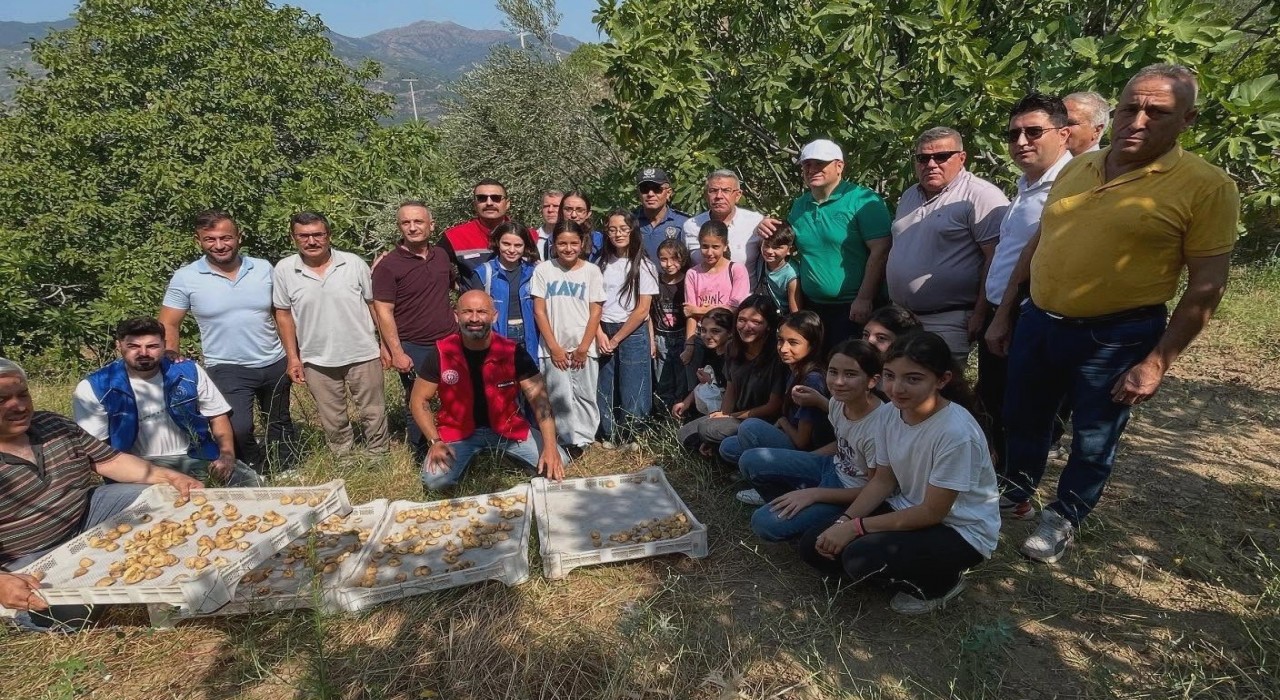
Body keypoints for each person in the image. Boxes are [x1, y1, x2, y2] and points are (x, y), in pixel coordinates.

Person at [987, 64, 1240, 563]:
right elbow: (1040, 242)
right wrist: (1007, 310)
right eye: (1130, 108)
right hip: (1040, 320)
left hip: (1116, 334)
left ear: (1187, 119)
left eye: (1156, 112)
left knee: (1094, 434)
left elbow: (1207, 285)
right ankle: (1017, 489)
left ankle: (1064, 514)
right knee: (1024, 416)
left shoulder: (1206, 187)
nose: (1137, 121)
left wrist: (1157, 361)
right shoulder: (1079, 168)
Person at [799, 332, 1000, 615]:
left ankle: (943, 583)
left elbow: (932, 512)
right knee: (814, 545)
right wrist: (844, 520)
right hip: (905, 506)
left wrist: (856, 528)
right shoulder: (890, 413)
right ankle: (893, 566)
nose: (896, 388)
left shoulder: (955, 434)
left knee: (859, 558)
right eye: (890, 376)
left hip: (959, 529)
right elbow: (883, 480)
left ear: (942, 380)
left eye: (913, 379)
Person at [0, 357, 202, 631]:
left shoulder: (52, 424)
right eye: (2, 400)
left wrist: (169, 477)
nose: (19, 406)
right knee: (66, 615)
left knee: (163, 499)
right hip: (30, 556)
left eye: (23, 394)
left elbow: (111, 461)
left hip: (86, 516)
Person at [159, 209, 298, 474]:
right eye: (210, 239)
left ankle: (284, 466)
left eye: (226, 238)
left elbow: (281, 313)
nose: (219, 245)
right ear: (198, 241)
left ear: (239, 237)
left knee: (279, 420)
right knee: (238, 427)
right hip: (226, 366)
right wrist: (170, 358)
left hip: (273, 360)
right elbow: (169, 322)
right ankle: (254, 468)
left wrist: (293, 355)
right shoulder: (186, 277)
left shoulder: (263, 268)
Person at [978, 93, 1073, 469]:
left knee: (1022, 407)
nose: (1021, 141)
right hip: (1002, 310)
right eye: (1013, 133)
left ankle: (1016, 485)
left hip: (1029, 313)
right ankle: (999, 475)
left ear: (1063, 134)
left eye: (1033, 132)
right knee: (996, 400)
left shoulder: (1069, 187)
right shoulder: (1027, 185)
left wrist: (1004, 315)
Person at [72, 318, 262, 487]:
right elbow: (97, 448)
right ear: (119, 346)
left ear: (164, 345)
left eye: (152, 346)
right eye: (133, 346)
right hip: (135, 464)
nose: (143, 353)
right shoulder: (96, 387)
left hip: (195, 457)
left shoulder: (188, 372)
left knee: (250, 484)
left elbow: (217, 415)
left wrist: (227, 455)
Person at [408, 291, 567, 493]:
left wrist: (550, 447)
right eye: (467, 312)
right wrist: (435, 441)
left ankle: (507, 456)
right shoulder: (441, 352)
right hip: (457, 433)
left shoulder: (512, 352)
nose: (475, 318)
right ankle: (471, 456)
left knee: (560, 461)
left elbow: (540, 401)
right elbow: (419, 400)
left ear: (494, 316)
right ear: (456, 316)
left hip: (508, 429)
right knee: (436, 482)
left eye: (482, 312)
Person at [738, 340, 889, 541]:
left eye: (850, 374)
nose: (838, 382)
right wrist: (803, 462)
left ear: (872, 381)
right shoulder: (838, 402)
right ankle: (791, 504)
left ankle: (814, 524)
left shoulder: (879, 427)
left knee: (763, 522)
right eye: (833, 372)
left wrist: (814, 494)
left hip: (850, 492)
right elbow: (844, 444)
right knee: (750, 460)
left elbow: (874, 490)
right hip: (831, 465)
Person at [756, 139, 892, 351]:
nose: (812, 169)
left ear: (839, 166)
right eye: (807, 164)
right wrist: (765, 226)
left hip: (853, 308)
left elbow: (881, 250)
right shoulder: (800, 205)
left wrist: (864, 298)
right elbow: (787, 244)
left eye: (820, 163)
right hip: (812, 308)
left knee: (848, 366)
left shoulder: (863, 200)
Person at [888, 127, 1008, 362]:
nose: (931, 164)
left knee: (941, 381)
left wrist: (980, 313)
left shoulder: (980, 196)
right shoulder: (910, 194)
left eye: (941, 157)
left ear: (961, 158)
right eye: (923, 158)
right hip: (901, 317)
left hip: (948, 318)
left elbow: (995, 258)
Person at [273, 212, 389, 455]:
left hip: (362, 352)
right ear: (293, 238)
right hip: (316, 357)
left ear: (329, 235)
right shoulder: (284, 270)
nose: (311, 241)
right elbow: (283, 314)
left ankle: (378, 452)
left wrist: (385, 344)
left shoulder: (353, 263)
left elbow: (373, 305)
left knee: (373, 410)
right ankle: (343, 456)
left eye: (318, 234)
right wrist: (293, 357)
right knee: (332, 415)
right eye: (303, 236)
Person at [371, 201, 455, 459]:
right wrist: (396, 352)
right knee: (417, 400)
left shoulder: (441, 256)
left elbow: (449, 290)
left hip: (449, 341)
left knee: (454, 394)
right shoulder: (388, 265)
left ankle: (455, 445)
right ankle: (421, 454)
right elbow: (383, 311)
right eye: (406, 222)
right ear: (399, 227)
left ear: (431, 225)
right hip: (414, 345)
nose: (412, 227)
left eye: (418, 221)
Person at [531, 220, 606, 454]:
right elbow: (539, 311)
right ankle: (566, 441)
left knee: (585, 394)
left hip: (584, 346)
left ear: (582, 243)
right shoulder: (544, 270)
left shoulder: (591, 271)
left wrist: (584, 346)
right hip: (554, 347)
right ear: (554, 245)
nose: (568, 248)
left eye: (574, 243)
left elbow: (596, 311)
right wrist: (554, 347)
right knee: (559, 396)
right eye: (562, 243)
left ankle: (586, 440)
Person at [678, 295, 787, 456]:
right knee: (685, 434)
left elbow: (773, 407)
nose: (746, 327)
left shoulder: (777, 357)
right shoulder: (733, 348)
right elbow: (731, 389)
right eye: (741, 320)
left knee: (708, 430)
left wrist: (730, 417)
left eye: (756, 322)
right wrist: (724, 416)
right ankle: (721, 447)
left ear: (769, 326)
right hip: (736, 416)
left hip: (761, 420)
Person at [719, 311, 831, 464]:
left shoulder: (812, 380)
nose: (783, 348)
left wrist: (783, 421)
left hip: (804, 452)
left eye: (793, 343)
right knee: (728, 446)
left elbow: (802, 442)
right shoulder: (792, 369)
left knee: (750, 427)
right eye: (780, 340)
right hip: (787, 435)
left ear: (812, 345)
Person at [595, 209, 659, 447]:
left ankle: (633, 434)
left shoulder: (644, 265)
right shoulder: (600, 264)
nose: (618, 234)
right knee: (606, 383)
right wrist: (599, 333)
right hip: (604, 328)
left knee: (634, 384)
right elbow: (593, 303)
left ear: (632, 231)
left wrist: (616, 339)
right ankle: (609, 433)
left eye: (623, 229)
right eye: (612, 229)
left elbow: (642, 309)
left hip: (632, 331)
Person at [682, 169, 765, 286]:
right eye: (713, 191)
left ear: (738, 195)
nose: (719, 196)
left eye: (726, 191)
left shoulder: (755, 222)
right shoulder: (691, 226)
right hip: (703, 296)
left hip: (746, 296)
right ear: (706, 195)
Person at [468, 221, 541, 352]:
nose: (512, 250)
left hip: (530, 337)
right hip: (497, 337)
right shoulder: (484, 273)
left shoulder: (534, 272)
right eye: (506, 244)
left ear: (525, 246)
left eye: (518, 245)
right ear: (498, 242)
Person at [681, 221, 751, 357]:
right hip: (701, 338)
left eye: (715, 247)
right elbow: (690, 314)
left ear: (725, 246)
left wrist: (699, 310)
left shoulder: (736, 270)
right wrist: (689, 344)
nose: (709, 252)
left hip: (729, 339)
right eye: (705, 246)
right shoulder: (693, 274)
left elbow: (735, 309)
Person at [671, 307, 734, 422]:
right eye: (704, 330)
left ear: (730, 333)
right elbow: (705, 382)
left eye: (715, 331)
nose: (708, 336)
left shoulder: (732, 358)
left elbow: (730, 392)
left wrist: (712, 382)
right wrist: (686, 402)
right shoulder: (710, 352)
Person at [440, 179, 511, 280]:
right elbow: (435, 268)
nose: (489, 203)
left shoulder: (529, 235)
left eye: (496, 198)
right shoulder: (455, 236)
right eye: (482, 198)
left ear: (507, 204)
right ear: (474, 204)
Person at [652, 239, 693, 413]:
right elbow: (648, 315)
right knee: (663, 378)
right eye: (664, 259)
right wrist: (652, 340)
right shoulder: (655, 281)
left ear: (682, 259)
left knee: (683, 378)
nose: (669, 264)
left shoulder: (688, 280)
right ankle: (664, 415)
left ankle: (680, 414)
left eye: (674, 259)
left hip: (683, 335)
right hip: (661, 336)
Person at [633, 167, 690, 261]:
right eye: (644, 189)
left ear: (668, 193)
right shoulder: (630, 222)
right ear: (639, 194)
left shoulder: (684, 223)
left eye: (657, 189)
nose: (650, 194)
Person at [758, 223, 800, 313]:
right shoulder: (761, 259)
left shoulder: (791, 275)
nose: (769, 251)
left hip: (781, 315)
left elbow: (795, 311)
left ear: (790, 250)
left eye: (776, 248)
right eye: (766, 245)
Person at [558, 190, 604, 260]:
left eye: (580, 210)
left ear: (588, 214)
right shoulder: (552, 240)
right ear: (561, 212)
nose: (573, 215)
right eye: (568, 209)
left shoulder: (599, 240)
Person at [1063, 91, 1110, 156]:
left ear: (1096, 130)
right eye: (1058, 121)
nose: (1060, 128)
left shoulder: (1103, 162)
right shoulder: (1053, 160)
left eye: (1070, 123)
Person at [535, 190, 564, 261]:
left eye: (556, 206)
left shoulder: (572, 238)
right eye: (546, 206)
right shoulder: (532, 238)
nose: (550, 210)